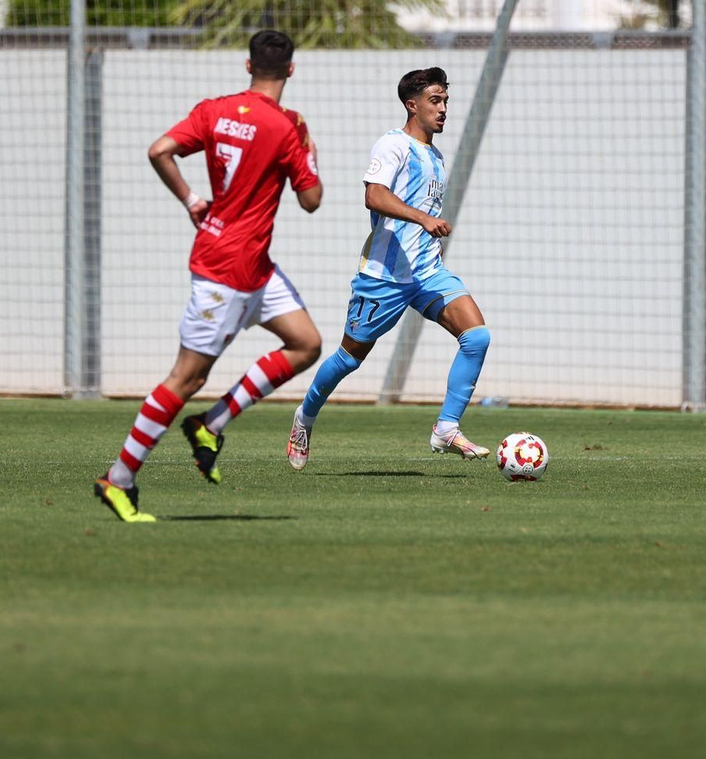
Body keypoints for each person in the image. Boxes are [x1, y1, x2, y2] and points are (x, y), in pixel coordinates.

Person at [94, 29, 324, 523]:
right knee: (187, 377)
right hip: (227, 273)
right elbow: (311, 200)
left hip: (252, 266)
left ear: (248, 66)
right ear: (290, 70)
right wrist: (309, 150)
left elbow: (159, 150)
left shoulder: (214, 111)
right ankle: (118, 479)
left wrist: (191, 200)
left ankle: (211, 424)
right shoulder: (287, 127)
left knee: (305, 343)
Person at [287, 66, 491, 470]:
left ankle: (446, 427)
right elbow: (374, 196)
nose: (443, 108)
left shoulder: (435, 156)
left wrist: (426, 233)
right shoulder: (392, 145)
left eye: (446, 101)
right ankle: (304, 417)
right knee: (349, 358)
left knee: (477, 337)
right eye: (435, 100)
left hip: (427, 273)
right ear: (412, 105)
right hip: (384, 276)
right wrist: (423, 219)